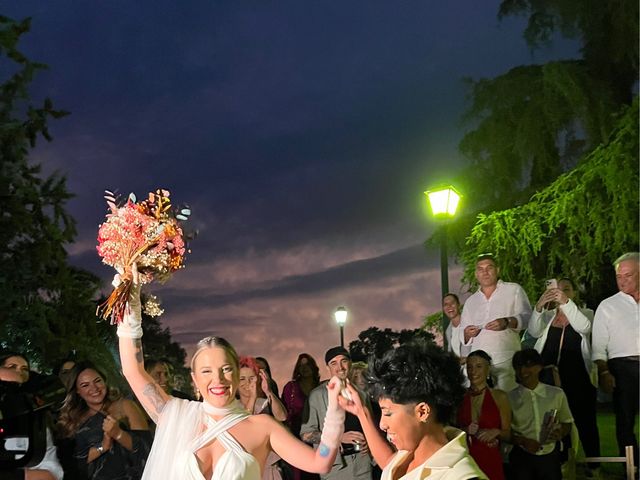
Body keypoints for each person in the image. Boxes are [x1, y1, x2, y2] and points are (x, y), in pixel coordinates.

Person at [116, 265, 346, 479]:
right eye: (207, 371)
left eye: (226, 369)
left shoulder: (262, 427)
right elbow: (132, 369)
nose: (218, 379)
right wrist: (130, 306)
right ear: (194, 380)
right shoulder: (177, 415)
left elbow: (320, 463)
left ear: (237, 374)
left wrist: (335, 410)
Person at [339, 340, 487, 480]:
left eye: (388, 413)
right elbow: (388, 464)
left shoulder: (461, 476)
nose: (382, 424)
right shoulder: (408, 454)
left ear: (422, 412)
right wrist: (361, 411)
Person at [528, 277, 600, 473]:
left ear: (574, 293)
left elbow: (584, 327)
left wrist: (566, 303)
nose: (561, 293)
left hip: (578, 377)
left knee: (585, 422)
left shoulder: (586, 313)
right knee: (556, 423)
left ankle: (594, 466)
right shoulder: (548, 316)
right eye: (557, 290)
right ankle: (564, 463)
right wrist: (539, 307)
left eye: (566, 289)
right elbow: (533, 331)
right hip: (549, 379)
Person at [56, 361, 152, 480]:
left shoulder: (125, 406)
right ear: (77, 391)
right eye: (85, 385)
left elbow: (148, 449)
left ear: (104, 381)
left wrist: (119, 434)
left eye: (97, 381)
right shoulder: (72, 420)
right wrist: (102, 447)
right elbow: (71, 464)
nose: (94, 388)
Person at [592, 252, 640, 467]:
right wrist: (604, 371)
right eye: (619, 276)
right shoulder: (608, 306)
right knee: (625, 421)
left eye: (628, 275)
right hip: (622, 367)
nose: (622, 280)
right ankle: (632, 468)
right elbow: (599, 346)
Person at [461, 253, 532, 392]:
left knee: (509, 403)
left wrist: (507, 321)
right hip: (480, 365)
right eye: (480, 269)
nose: (485, 272)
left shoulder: (513, 290)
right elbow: (464, 335)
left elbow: (528, 318)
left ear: (497, 270)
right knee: (484, 406)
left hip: (507, 360)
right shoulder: (471, 301)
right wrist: (467, 333)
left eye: (489, 268)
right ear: (476, 274)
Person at [300, 346, 373, 480]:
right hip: (335, 468)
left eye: (344, 361)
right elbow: (305, 435)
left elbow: (371, 427)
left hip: (363, 465)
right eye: (334, 363)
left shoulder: (361, 394)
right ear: (328, 368)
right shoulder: (316, 395)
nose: (340, 367)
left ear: (350, 364)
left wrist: (370, 442)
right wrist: (338, 438)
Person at [507, 349, 573, 480]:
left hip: (550, 456)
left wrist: (560, 432)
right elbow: (504, 432)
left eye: (528, 366)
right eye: (519, 366)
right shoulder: (510, 398)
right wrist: (524, 442)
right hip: (522, 457)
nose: (523, 371)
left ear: (539, 367)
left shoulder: (556, 394)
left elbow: (567, 421)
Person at [0, 351, 64, 480]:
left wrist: (14, 476)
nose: (19, 372)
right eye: (11, 367)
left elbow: (52, 474)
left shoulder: (35, 421)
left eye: (25, 369)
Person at [457, 350, 510, 480]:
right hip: (466, 462)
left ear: (488, 369)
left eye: (479, 366)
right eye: (470, 367)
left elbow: (508, 434)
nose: (473, 371)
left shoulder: (500, 397)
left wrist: (496, 432)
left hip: (490, 460)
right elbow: (451, 433)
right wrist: (465, 430)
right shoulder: (459, 397)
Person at [282, 353, 322, 480]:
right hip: (296, 436)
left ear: (314, 367)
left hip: (318, 436)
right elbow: (284, 413)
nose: (304, 368)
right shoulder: (291, 387)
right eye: (301, 365)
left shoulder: (321, 388)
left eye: (307, 365)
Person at [443, 293, 468, 361]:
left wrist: (468, 359)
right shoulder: (448, 331)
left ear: (458, 305)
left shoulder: (469, 323)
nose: (449, 306)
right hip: (461, 370)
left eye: (452, 303)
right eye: (446, 304)